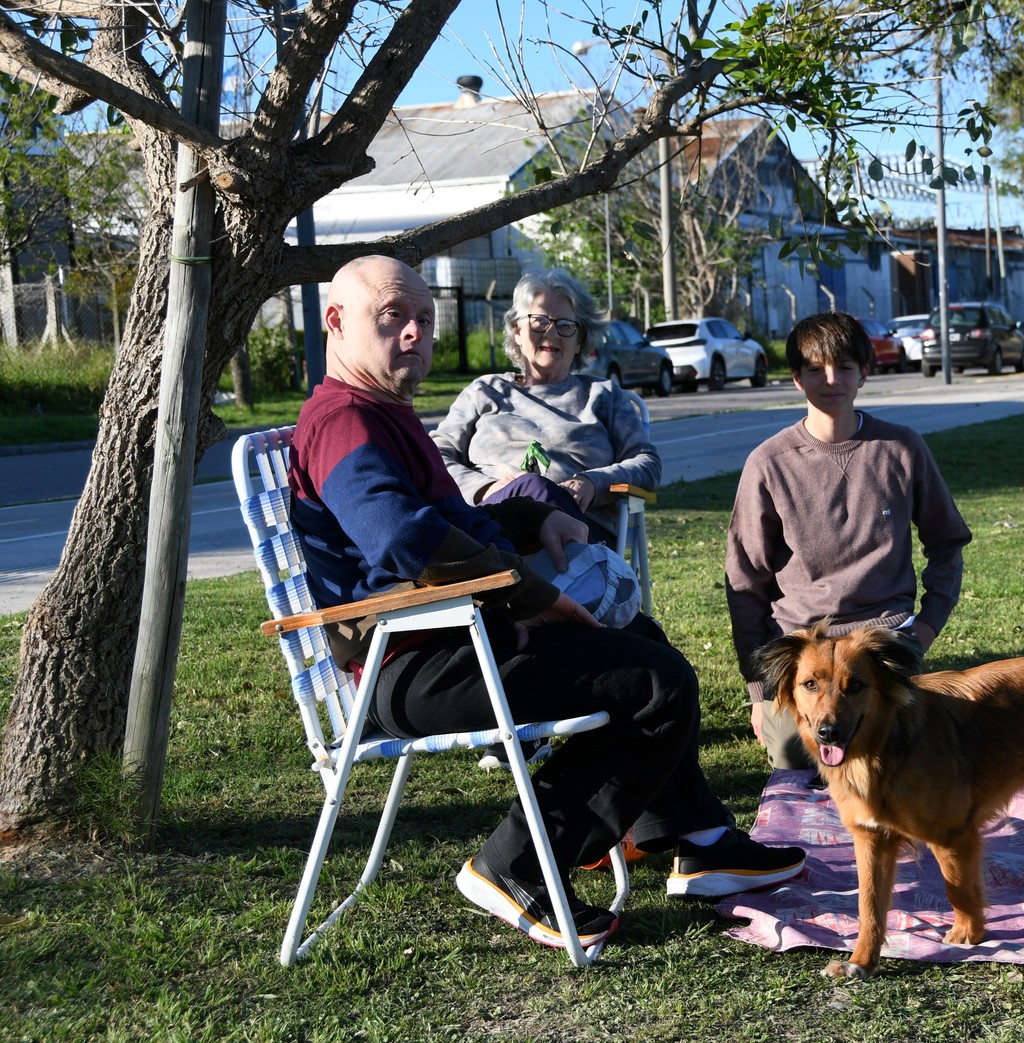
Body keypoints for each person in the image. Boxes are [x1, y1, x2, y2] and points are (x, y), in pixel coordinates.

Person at [289, 255, 803, 951]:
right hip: (413, 662)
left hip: (455, 636)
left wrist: (535, 520)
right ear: (336, 322)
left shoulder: (384, 413)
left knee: (641, 641)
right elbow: (399, 539)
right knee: (655, 682)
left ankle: (695, 836)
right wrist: (530, 595)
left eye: (423, 320)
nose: (413, 332)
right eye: (392, 318)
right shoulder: (344, 420)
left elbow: (455, 522)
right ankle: (514, 866)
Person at [726, 312, 972, 770]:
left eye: (844, 366)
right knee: (792, 754)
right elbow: (744, 583)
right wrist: (760, 693)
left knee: (909, 762)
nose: (831, 379)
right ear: (797, 378)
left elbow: (947, 541)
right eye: (816, 369)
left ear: (865, 371)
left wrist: (925, 629)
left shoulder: (902, 448)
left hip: (883, 642)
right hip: (802, 648)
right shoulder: (769, 463)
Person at [433, 268, 656, 547]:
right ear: (517, 330)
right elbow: (434, 457)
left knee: (537, 491)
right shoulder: (485, 391)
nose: (551, 332)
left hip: (579, 533)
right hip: (492, 521)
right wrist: (487, 488)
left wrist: (592, 482)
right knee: (529, 492)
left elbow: (647, 464)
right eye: (539, 321)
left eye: (565, 325)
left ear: (579, 341)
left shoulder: (603, 395)